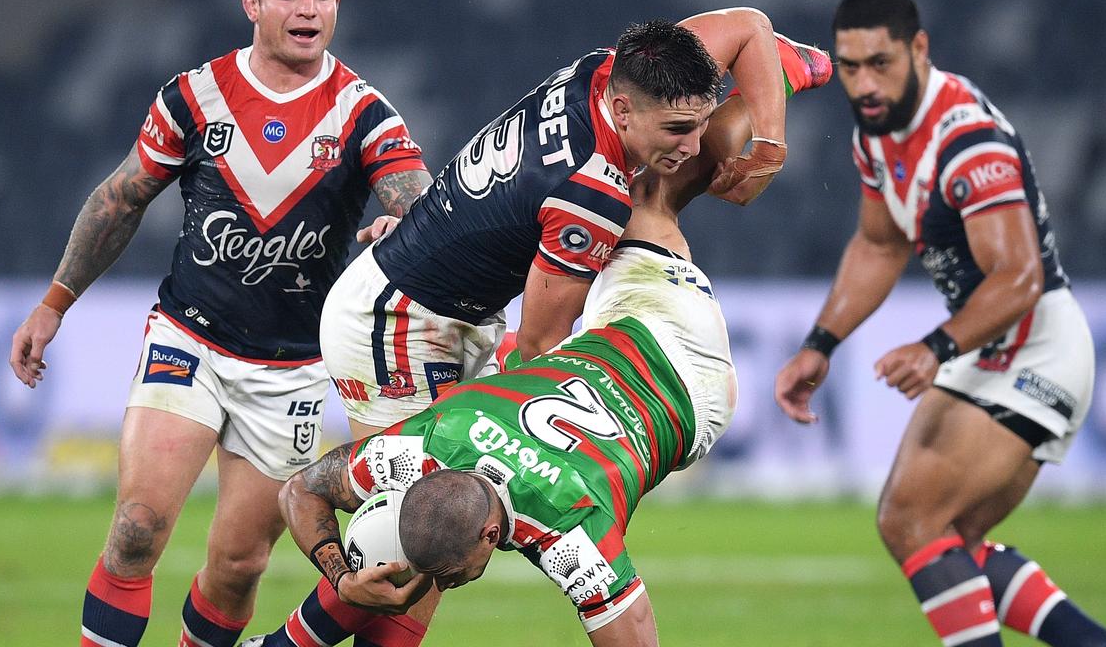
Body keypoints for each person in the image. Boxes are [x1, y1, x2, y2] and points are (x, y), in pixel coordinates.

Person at [6, 0, 432, 646]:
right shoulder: (196, 96)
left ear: (337, 4)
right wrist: (55, 303)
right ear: (252, 4)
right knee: (137, 529)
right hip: (189, 338)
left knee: (239, 565)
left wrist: (407, 229)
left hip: (291, 367)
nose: (308, 9)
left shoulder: (364, 113)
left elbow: (418, 201)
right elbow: (121, 199)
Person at [240, 92, 776, 647]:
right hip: (641, 339)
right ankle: (770, 81)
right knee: (649, 197)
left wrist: (339, 571)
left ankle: (760, 64)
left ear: (492, 535)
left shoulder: (570, 531)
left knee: (644, 196)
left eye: (451, 577)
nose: (446, 585)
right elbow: (299, 491)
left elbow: (299, 490)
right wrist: (344, 577)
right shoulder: (436, 433)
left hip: (688, 387)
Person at [773, 0, 1106, 647]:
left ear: (919, 49)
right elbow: (878, 243)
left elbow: (1020, 276)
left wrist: (935, 348)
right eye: (851, 65)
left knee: (913, 518)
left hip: (1037, 347)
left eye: (880, 63)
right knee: (934, 533)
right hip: (993, 348)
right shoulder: (879, 133)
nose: (864, 84)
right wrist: (821, 342)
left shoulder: (967, 140)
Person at [320, 7, 834, 445]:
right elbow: (541, 348)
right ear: (624, 110)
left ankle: (774, 77)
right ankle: (778, 75)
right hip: (396, 326)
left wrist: (769, 148)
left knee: (443, 538)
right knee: (408, 533)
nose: (695, 145)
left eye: (702, 124)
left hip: (445, 293)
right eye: (678, 129)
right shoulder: (589, 198)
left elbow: (747, 25)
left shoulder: (617, 69)